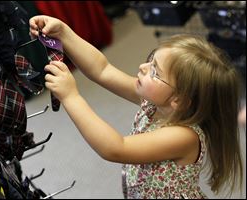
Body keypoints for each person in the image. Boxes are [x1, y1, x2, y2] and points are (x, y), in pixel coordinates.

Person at [29, 15, 244, 198]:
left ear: (178, 99)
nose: (142, 67)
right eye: (151, 60)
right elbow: (102, 70)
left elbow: (115, 148)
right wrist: (65, 34)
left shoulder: (184, 136)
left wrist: (71, 97)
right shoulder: (155, 104)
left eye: (155, 72)